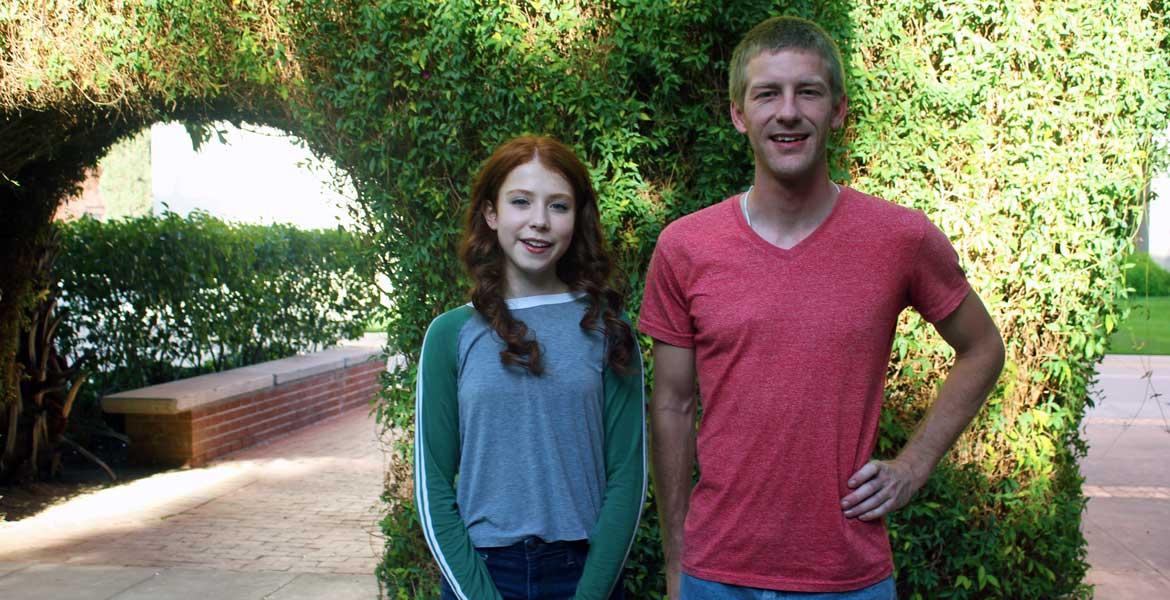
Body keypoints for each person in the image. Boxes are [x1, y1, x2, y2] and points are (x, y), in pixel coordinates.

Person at [639, 16, 1006, 599]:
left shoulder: (900, 240)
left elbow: (983, 348)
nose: (788, 111)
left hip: (847, 576)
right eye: (767, 94)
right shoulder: (685, 247)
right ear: (739, 114)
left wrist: (913, 466)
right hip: (716, 574)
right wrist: (677, 561)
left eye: (807, 91)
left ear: (837, 109)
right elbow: (673, 404)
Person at [414, 135, 646, 600]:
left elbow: (628, 479)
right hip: (483, 573)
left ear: (576, 219)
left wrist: (591, 592)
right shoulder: (449, 335)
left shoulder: (610, 333)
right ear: (492, 213)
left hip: (583, 575)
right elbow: (432, 483)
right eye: (521, 202)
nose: (539, 222)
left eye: (558, 206)